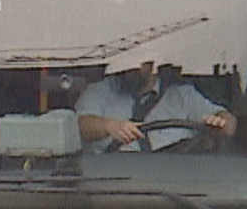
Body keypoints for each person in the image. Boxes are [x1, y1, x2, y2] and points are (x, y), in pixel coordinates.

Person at [75, 61, 235, 153]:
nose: (132, 65)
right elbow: (81, 125)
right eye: (128, 58)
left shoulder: (182, 95)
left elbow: (229, 124)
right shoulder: (100, 90)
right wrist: (109, 126)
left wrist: (221, 121)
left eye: (139, 58)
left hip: (176, 186)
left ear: (154, 61)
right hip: (114, 187)